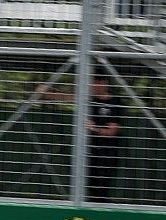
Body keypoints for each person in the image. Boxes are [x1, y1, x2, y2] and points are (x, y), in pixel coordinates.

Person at [37, 73, 123, 202]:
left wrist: (94, 129)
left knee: (101, 188)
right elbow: (67, 97)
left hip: (107, 153)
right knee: (87, 186)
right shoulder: (89, 98)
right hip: (88, 151)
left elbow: (113, 130)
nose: (91, 86)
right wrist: (46, 92)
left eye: (95, 82)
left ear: (103, 83)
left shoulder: (115, 102)